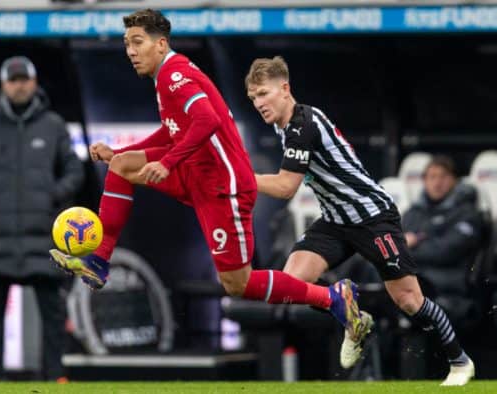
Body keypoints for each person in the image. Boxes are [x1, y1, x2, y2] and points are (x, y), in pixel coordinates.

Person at [49, 8, 370, 367]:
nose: (131, 51)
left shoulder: (175, 73)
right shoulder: (165, 76)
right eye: (127, 44)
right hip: (197, 173)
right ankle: (99, 261)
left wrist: (166, 162)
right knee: (122, 167)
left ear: (161, 43)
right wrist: (119, 152)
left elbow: (207, 120)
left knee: (238, 283)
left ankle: (333, 298)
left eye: (137, 42)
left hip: (224, 184)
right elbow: (174, 131)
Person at [244, 56, 474, 386]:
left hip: (373, 217)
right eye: (253, 98)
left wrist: (240, 179)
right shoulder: (286, 127)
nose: (258, 103)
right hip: (336, 220)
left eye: (263, 94)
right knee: (288, 286)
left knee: (409, 301)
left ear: (285, 89)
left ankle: (460, 362)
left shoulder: (302, 125)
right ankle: (351, 314)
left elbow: (284, 188)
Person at [0, 56, 84, 382]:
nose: (19, 85)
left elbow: (74, 169)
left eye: (24, 79)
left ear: (35, 82)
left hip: (42, 232)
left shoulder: (53, 125)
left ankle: (56, 375)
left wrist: (52, 196)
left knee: (52, 311)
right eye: (13, 80)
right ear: (3, 84)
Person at [402, 155, 485, 325]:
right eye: (432, 177)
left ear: (455, 180)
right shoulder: (413, 213)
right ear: (424, 181)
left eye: (443, 176)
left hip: (448, 289)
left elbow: (446, 251)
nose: (437, 182)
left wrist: (409, 247)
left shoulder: (468, 213)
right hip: (413, 284)